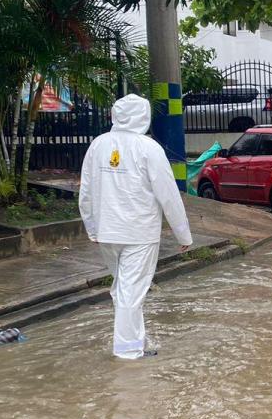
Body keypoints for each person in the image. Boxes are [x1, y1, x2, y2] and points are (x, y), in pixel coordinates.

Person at [78, 94, 193, 359]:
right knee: (130, 291)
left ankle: (136, 341)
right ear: (144, 116)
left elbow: (85, 191)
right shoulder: (148, 148)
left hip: (107, 231)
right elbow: (168, 194)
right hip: (139, 233)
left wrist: (92, 228)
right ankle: (128, 354)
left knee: (123, 288)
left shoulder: (98, 145)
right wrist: (182, 233)